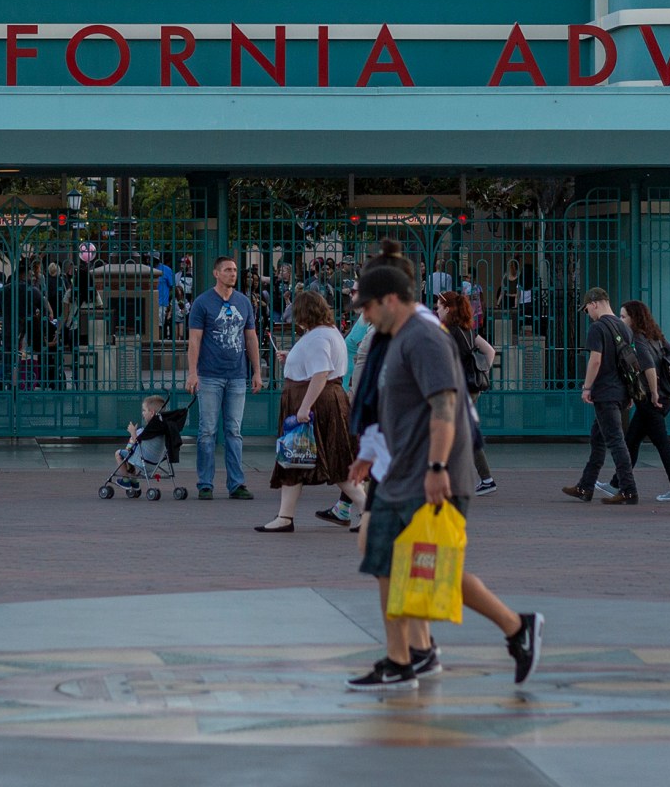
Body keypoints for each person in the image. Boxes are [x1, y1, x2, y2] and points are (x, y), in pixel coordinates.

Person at [342, 244, 539, 693]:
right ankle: (407, 656)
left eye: (368, 307)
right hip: (401, 469)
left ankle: (508, 629)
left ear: (390, 299)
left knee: (422, 565)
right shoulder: (396, 338)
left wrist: (436, 467)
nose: (364, 317)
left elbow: (445, 405)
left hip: (429, 472)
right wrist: (373, 450)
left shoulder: (424, 337)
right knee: (389, 558)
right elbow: (396, 404)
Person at [256, 289, 356, 532]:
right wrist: (292, 357)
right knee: (294, 459)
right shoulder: (327, 333)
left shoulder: (319, 337)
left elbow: (321, 373)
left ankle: (369, 510)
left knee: (332, 460)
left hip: (315, 404)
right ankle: (285, 516)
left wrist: (303, 408)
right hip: (323, 400)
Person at [185, 257, 261, 502]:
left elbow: (251, 338)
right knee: (207, 431)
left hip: (237, 375)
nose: (233, 274)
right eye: (228, 270)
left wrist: (257, 371)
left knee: (234, 431)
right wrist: (192, 372)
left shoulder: (244, 302)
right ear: (216, 273)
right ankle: (205, 483)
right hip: (209, 376)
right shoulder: (202, 303)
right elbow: (194, 340)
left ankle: (236, 483)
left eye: (235, 270)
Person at [565, 288, 640, 504]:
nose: (587, 312)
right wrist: (630, 392)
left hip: (605, 393)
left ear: (595, 303)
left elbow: (595, 360)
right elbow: (630, 362)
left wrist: (587, 387)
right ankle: (585, 487)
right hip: (620, 392)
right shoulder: (623, 328)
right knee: (598, 439)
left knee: (616, 441)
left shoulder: (597, 328)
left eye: (587, 307)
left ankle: (628, 489)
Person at [617, 299, 670, 504]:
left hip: (652, 400)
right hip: (663, 399)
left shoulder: (638, 339)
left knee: (662, 443)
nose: (621, 320)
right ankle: (616, 482)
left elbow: (648, 367)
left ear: (634, 318)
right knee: (632, 439)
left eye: (623, 316)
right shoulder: (655, 336)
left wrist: (654, 392)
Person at [444, 290, 502, 495]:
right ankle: (484, 478)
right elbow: (490, 351)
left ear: (447, 308)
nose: (436, 309)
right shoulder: (468, 330)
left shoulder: (448, 331)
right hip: (471, 388)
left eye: (439, 305)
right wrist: (483, 370)